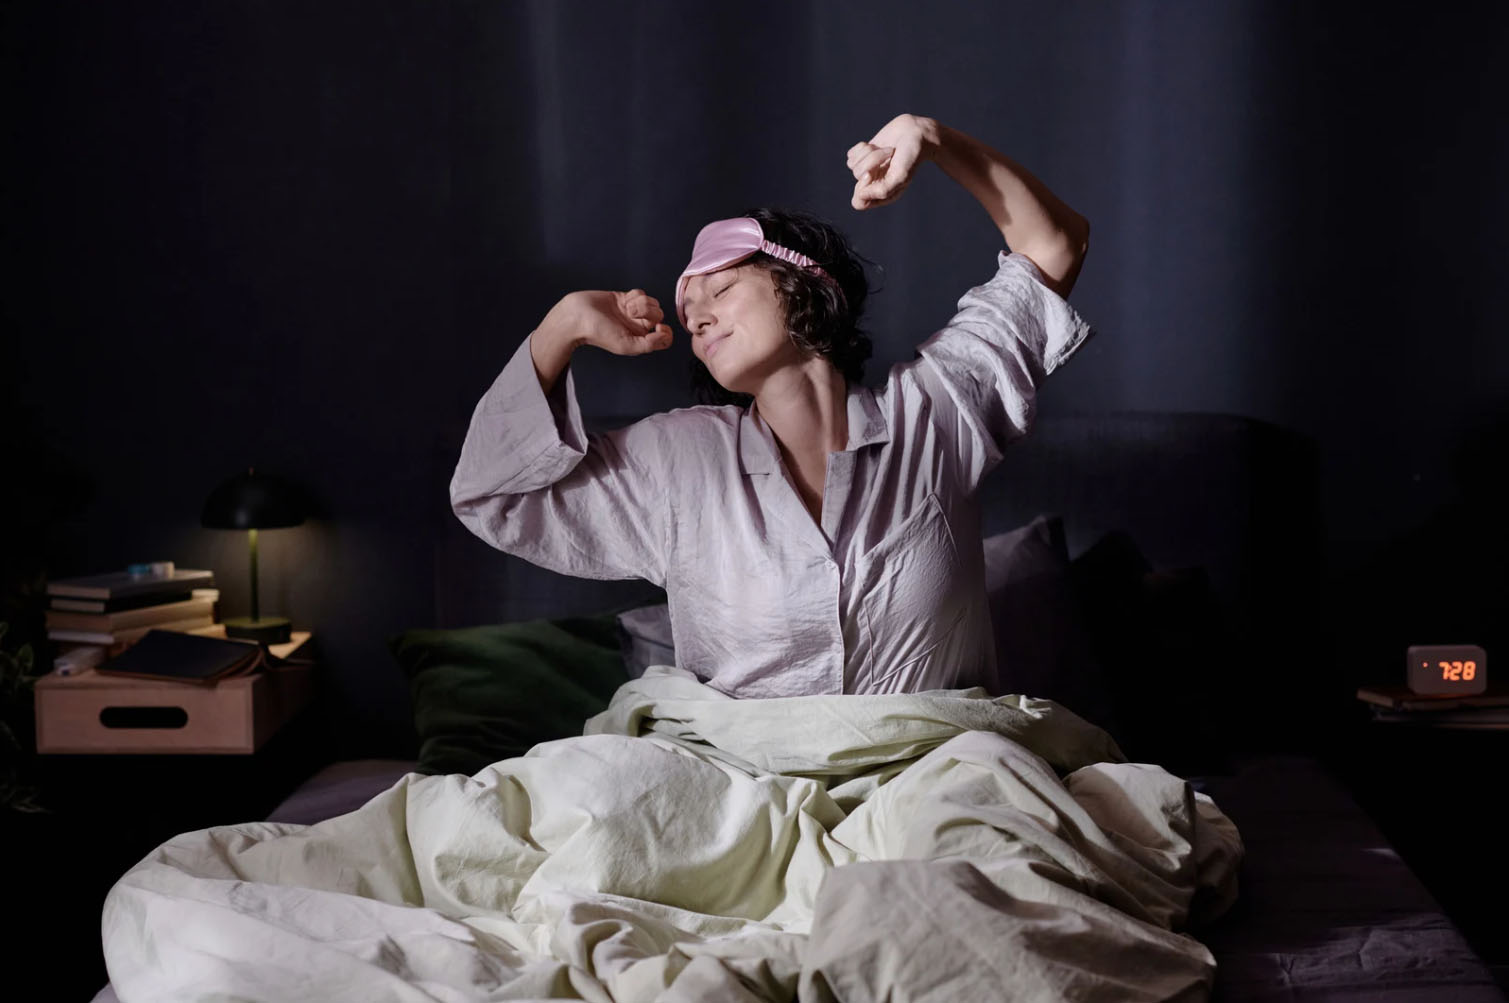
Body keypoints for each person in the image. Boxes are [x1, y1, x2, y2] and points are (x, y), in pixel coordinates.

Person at [451, 113, 1093, 699]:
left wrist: (934, 138)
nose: (697, 317)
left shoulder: (934, 413)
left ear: (805, 284)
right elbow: (492, 493)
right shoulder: (680, 457)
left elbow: (1057, 245)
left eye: (722, 288)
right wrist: (559, 329)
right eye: (687, 312)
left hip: (927, 783)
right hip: (744, 789)